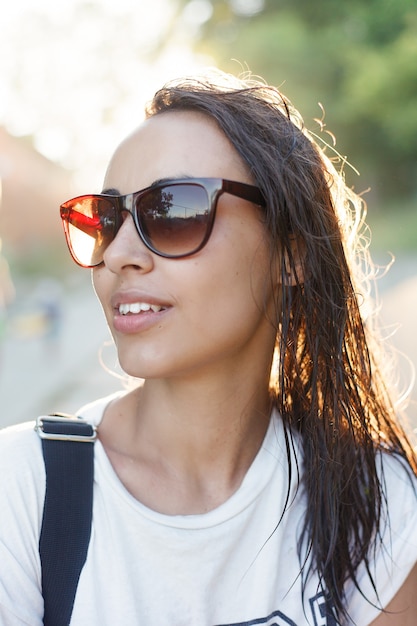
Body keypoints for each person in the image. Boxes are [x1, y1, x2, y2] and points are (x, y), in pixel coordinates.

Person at [1, 69, 416, 626]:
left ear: (291, 254)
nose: (119, 253)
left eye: (170, 211)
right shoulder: (20, 491)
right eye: (105, 220)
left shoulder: (376, 498)